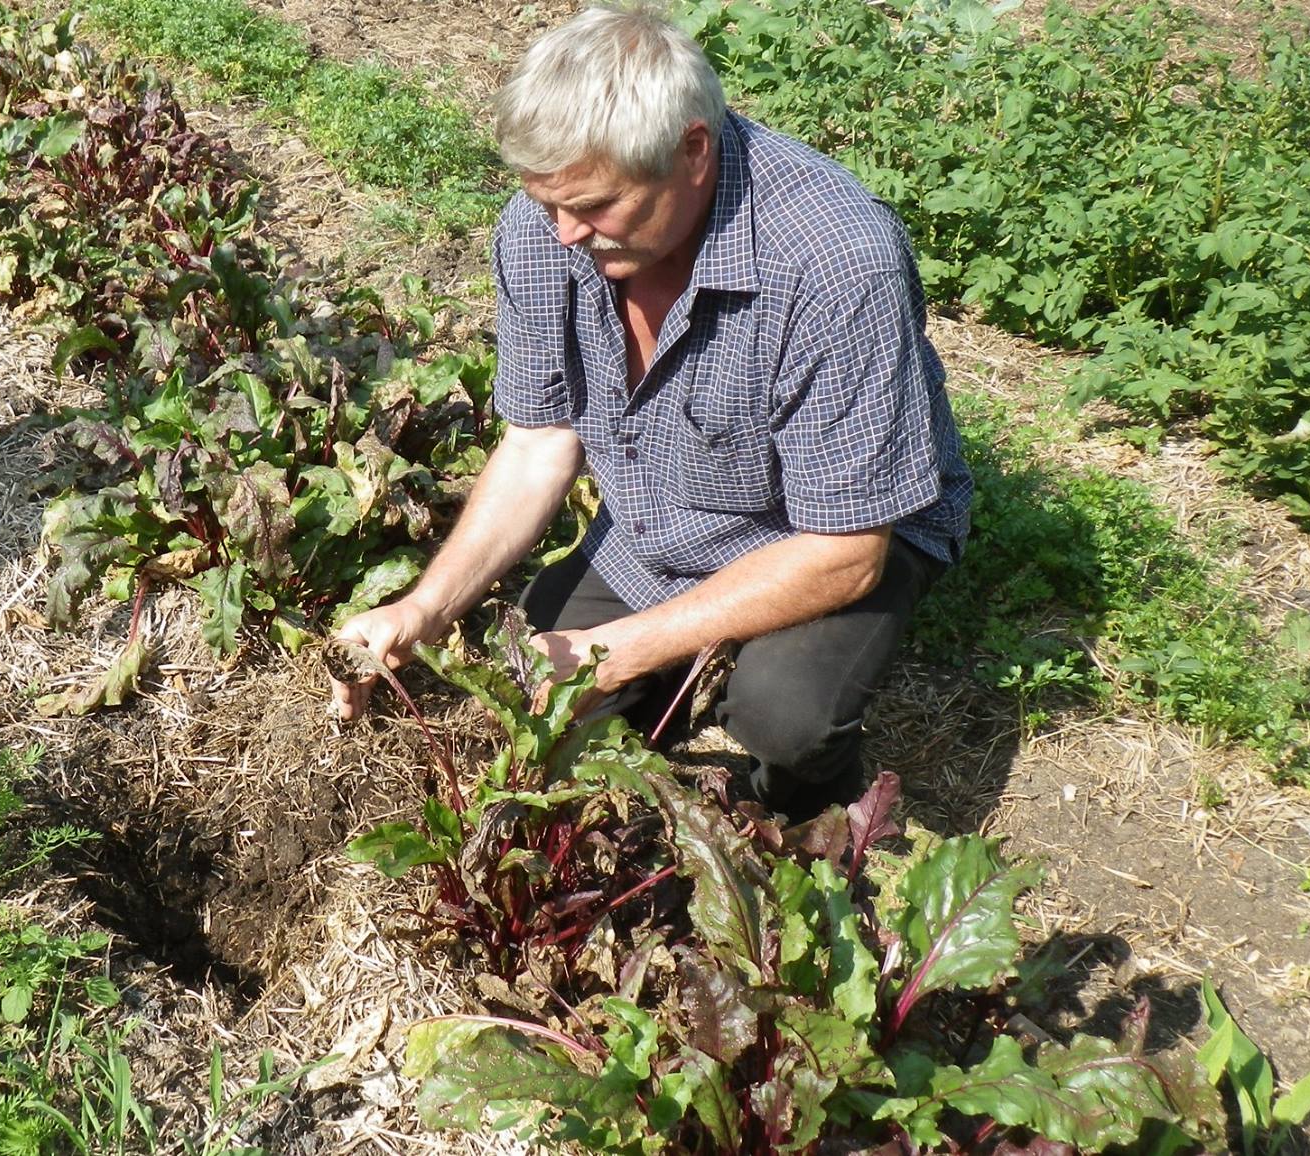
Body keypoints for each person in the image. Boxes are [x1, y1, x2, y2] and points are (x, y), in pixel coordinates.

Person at [329, 1, 972, 822]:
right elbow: (538, 444)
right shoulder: (543, 229)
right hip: (660, 512)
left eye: (596, 207)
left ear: (692, 151)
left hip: (818, 528)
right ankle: (679, 666)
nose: (564, 234)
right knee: (528, 699)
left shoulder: (834, 263)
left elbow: (845, 552)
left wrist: (617, 650)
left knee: (785, 717)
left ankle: (815, 809)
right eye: (547, 203)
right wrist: (423, 608)